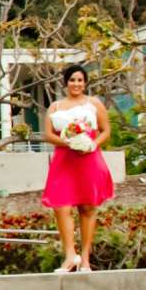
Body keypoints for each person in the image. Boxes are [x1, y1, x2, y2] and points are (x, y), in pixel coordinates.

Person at [41, 64, 114, 273]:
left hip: (89, 158)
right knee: (61, 206)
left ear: (85, 83)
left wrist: (91, 144)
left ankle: (86, 259)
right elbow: (48, 134)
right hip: (64, 160)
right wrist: (69, 143)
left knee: (88, 207)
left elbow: (105, 130)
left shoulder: (94, 103)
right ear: (65, 82)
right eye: (72, 80)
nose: (76, 84)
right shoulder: (55, 107)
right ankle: (70, 255)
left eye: (80, 80)